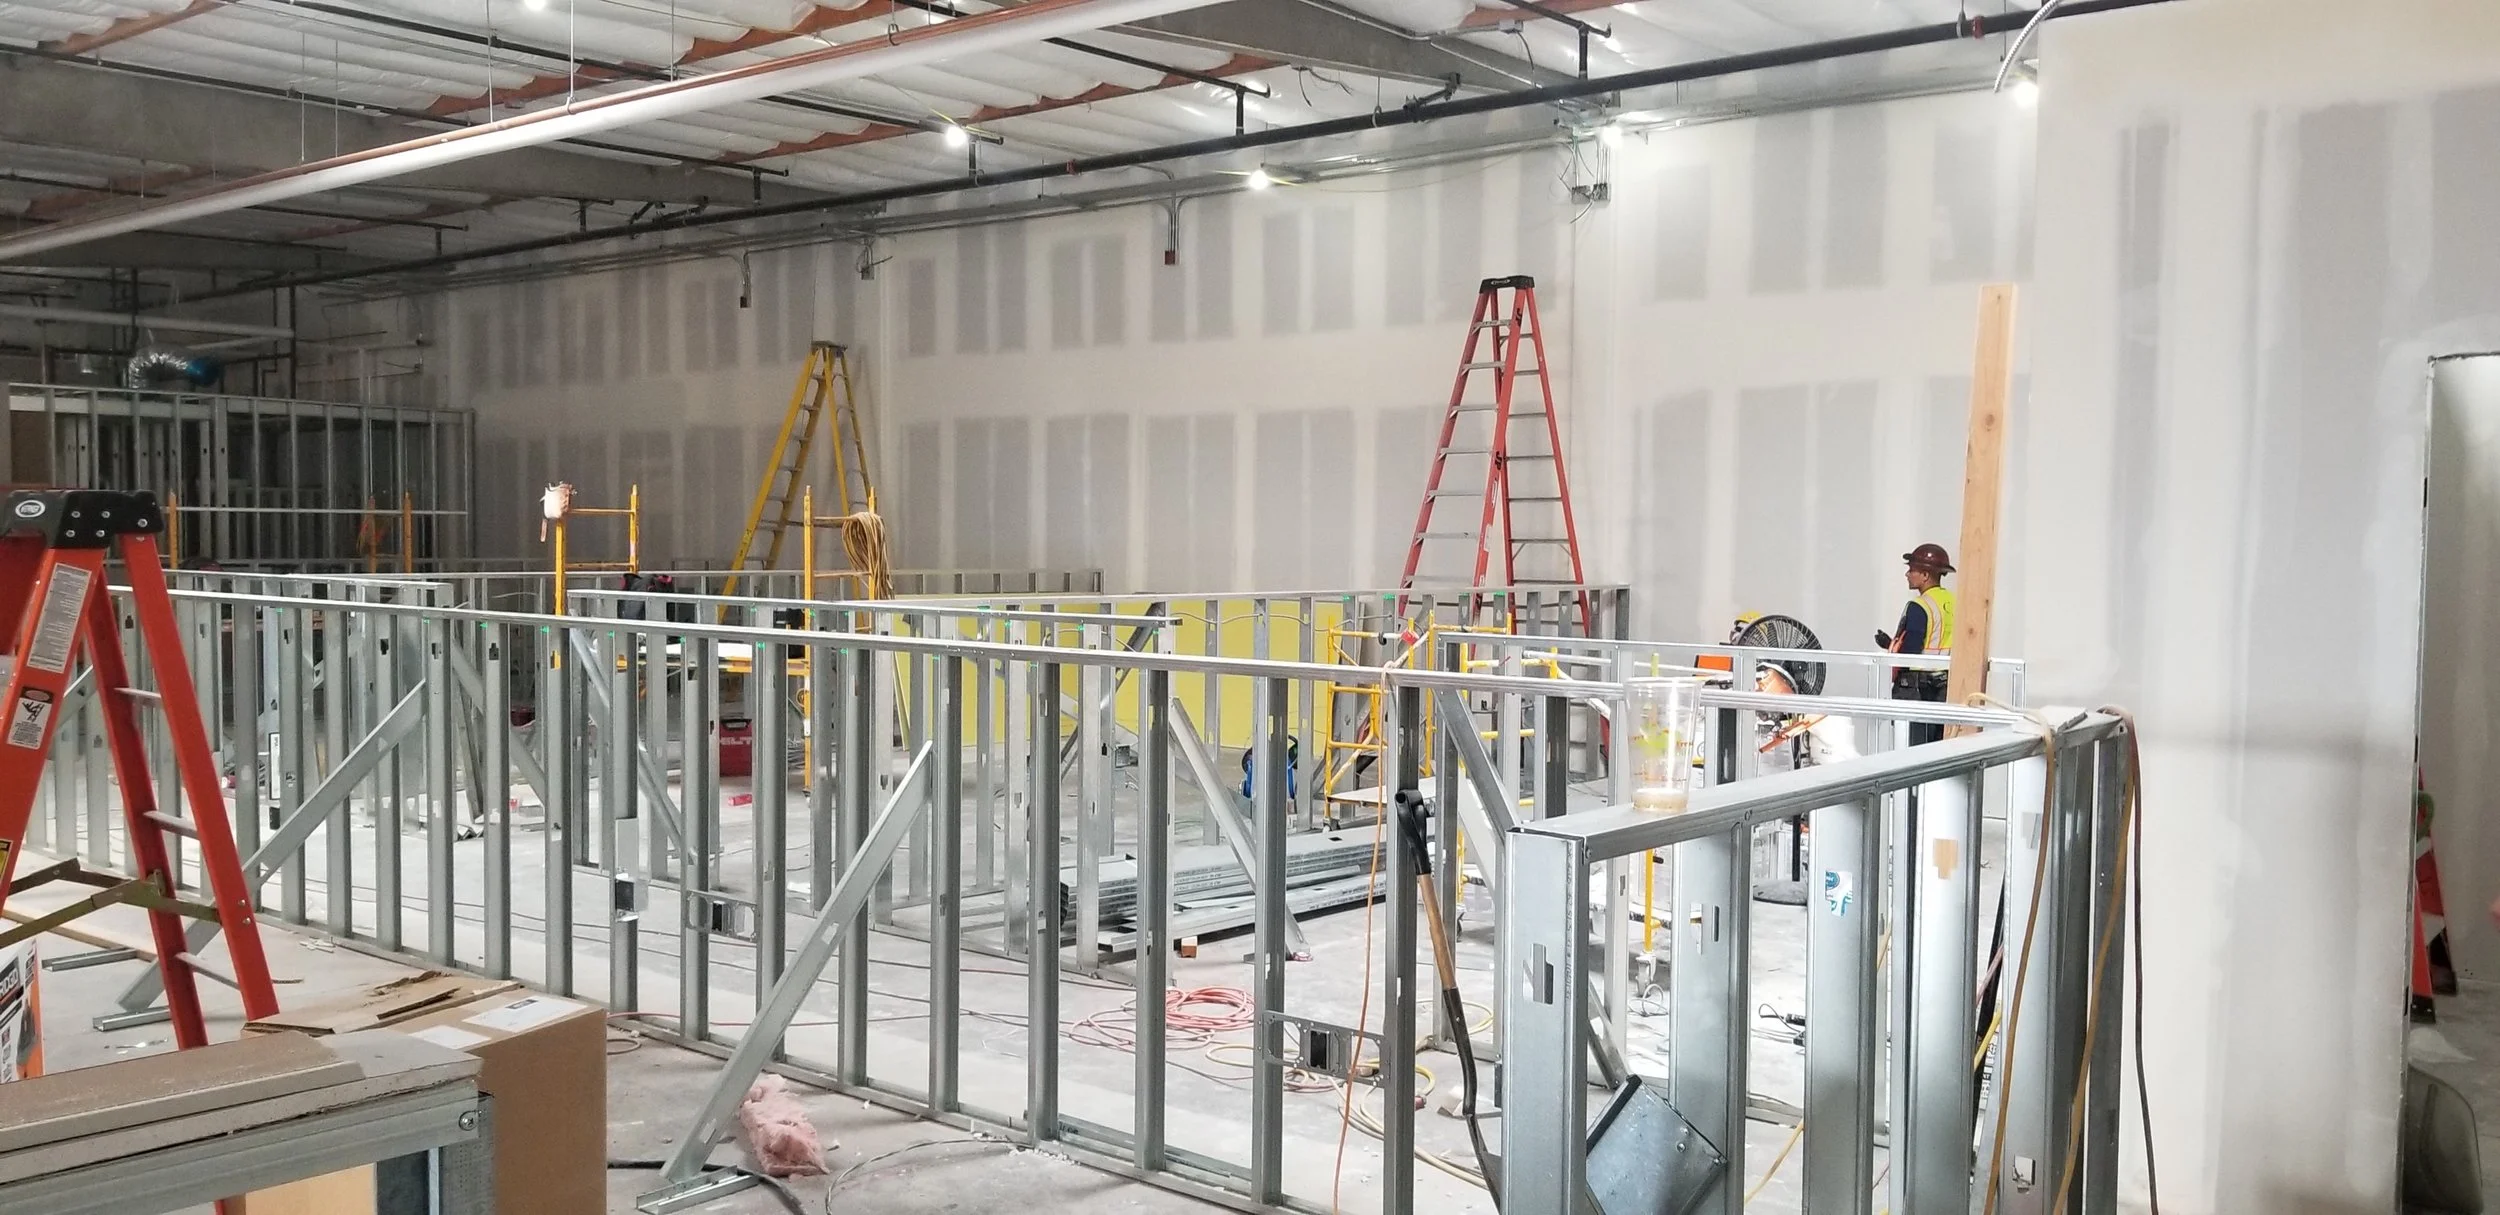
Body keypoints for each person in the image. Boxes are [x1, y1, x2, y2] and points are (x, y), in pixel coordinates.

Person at [1875, 543, 1956, 745]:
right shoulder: (1954, 601)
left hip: (1918, 687)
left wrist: (1892, 650)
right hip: (1946, 685)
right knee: (1940, 746)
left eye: (1912, 570)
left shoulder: (1920, 605)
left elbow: (1911, 650)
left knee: (1913, 749)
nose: (1907, 574)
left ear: (1926, 575)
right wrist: (1890, 644)